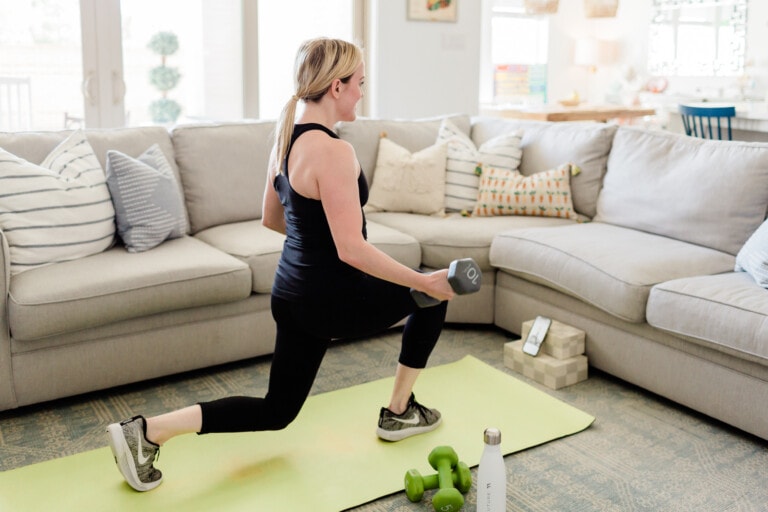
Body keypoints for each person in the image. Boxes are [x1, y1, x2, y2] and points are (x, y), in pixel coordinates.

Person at [106, 37, 455, 492]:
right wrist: (421, 278)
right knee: (432, 296)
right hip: (330, 298)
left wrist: (319, 246)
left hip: (290, 293)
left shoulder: (286, 138)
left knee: (277, 411)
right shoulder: (334, 151)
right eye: (359, 84)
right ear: (335, 87)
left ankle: (147, 431)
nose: (362, 93)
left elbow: (272, 219)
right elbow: (351, 248)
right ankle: (399, 411)